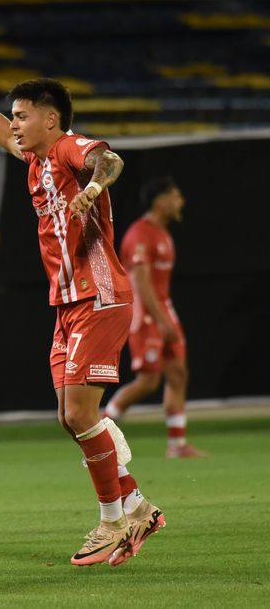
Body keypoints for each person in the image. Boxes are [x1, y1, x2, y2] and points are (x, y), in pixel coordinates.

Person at [0, 55, 165, 566]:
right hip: (67, 301)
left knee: (81, 411)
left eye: (21, 114)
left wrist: (93, 187)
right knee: (69, 416)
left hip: (98, 292)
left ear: (50, 119)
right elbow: (0, 135)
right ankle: (136, 505)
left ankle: (112, 522)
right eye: (13, 115)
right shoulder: (37, 162)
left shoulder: (66, 148)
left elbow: (111, 161)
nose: (13, 122)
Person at [105, 177, 203, 458]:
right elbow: (141, 283)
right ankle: (102, 431)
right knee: (148, 381)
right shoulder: (139, 235)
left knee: (178, 373)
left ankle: (177, 444)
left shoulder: (163, 233)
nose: (180, 202)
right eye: (176, 196)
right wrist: (160, 320)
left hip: (163, 311)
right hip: (146, 316)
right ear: (160, 201)